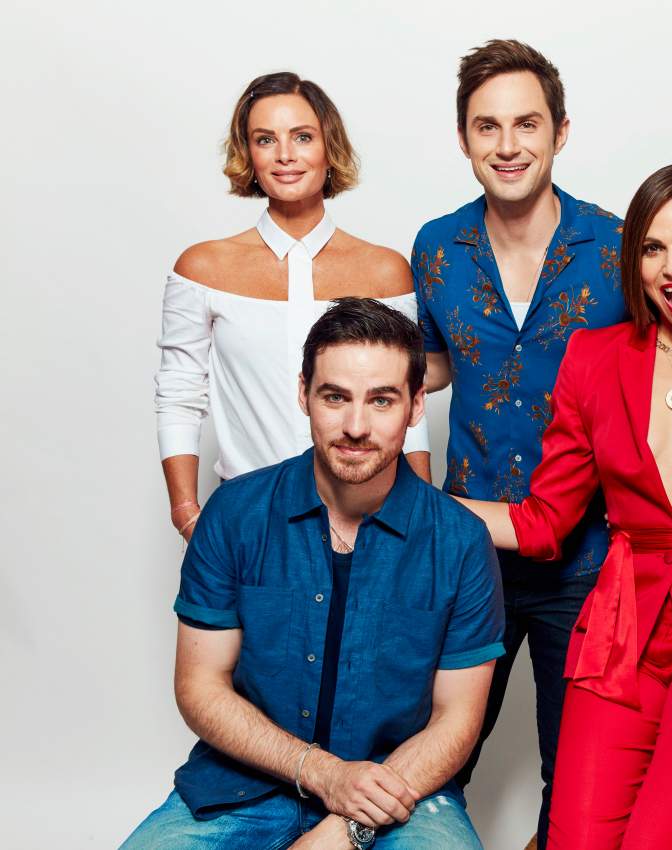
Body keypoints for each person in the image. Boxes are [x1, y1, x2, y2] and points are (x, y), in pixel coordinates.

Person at [456, 164, 672, 850]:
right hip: (619, 638)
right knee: (574, 841)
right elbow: (543, 521)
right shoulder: (593, 358)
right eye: (653, 248)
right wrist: (413, 504)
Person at [123, 299, 504, 850]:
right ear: (303, 394)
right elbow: (199, 687)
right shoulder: (234, 514)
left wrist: (349, 826)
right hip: (242, 783)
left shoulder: (461, 541)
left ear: (417, 405)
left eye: (382, 400)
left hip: (400, 790)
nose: (356, 426)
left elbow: (457, 720)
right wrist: (322, 773)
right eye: (335, 397)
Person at [411, 39, 627, 848]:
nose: (508, 146)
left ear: (561, 131)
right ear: (464, 139)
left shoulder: (617, 247)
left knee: (576, 777)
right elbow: (421, 372)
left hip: (592, 558)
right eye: (487, 127)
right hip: (471, 558)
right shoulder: (436, 248)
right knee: (434, 758)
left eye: (526, 124)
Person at [156, 71, 430, 541]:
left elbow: (406, 400)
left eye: (302, 137)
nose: (285, 155)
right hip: (248, 516)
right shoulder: (202, 268)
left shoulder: (385, 271)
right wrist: (187, 513)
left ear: (329, 148)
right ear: (249, 154)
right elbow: (179, 396)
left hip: (371, 518)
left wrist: (422, 521)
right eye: (266, 139)